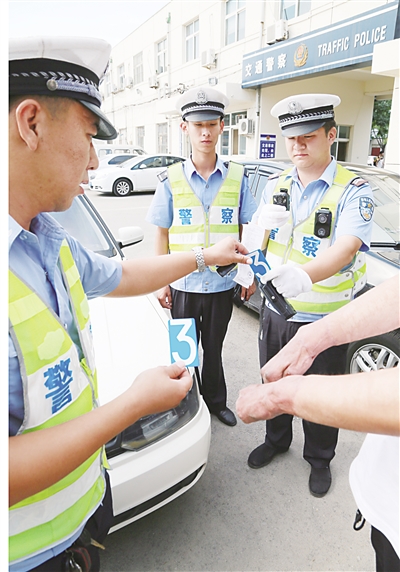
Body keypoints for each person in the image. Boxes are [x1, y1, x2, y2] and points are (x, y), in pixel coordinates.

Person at [8, 37, 252, 572]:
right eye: (88, 136)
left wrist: (205, 256)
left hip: (83, 517)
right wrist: (132, 406)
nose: (96, 161)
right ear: (31, 123)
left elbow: (122, 274)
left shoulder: (48, 240)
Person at [247, 93, 374, 497]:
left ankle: (319, 458)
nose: (298, 145)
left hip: (325, 320)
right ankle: (276, 439)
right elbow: (259, 240)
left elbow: (346, 248)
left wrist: (304, 274)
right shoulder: (277, 184)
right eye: (291, 138)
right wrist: (256, 235)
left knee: (321, 396)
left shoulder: (353, 190)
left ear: (331, 135)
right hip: (276, 312)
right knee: (273, 380)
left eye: (308, 136)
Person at [236, 274, 400, 571]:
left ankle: (320, 459)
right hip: (387, 504)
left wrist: (283, 397)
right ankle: (277, 441)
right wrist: (312, 339)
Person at [146, 86, 257, 427]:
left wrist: (248, 275)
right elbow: (162, 233)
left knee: (214, 349)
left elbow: (247, 229)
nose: (205, 132)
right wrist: (161, 282)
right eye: (198, 125)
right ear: (185, 128)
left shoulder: (237, 177)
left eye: (211, 124)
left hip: (221, 286)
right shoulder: (170, 179)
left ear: (222, 126)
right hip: (183, 286)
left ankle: (215, 403)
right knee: (183, 355)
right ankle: (184, 408)